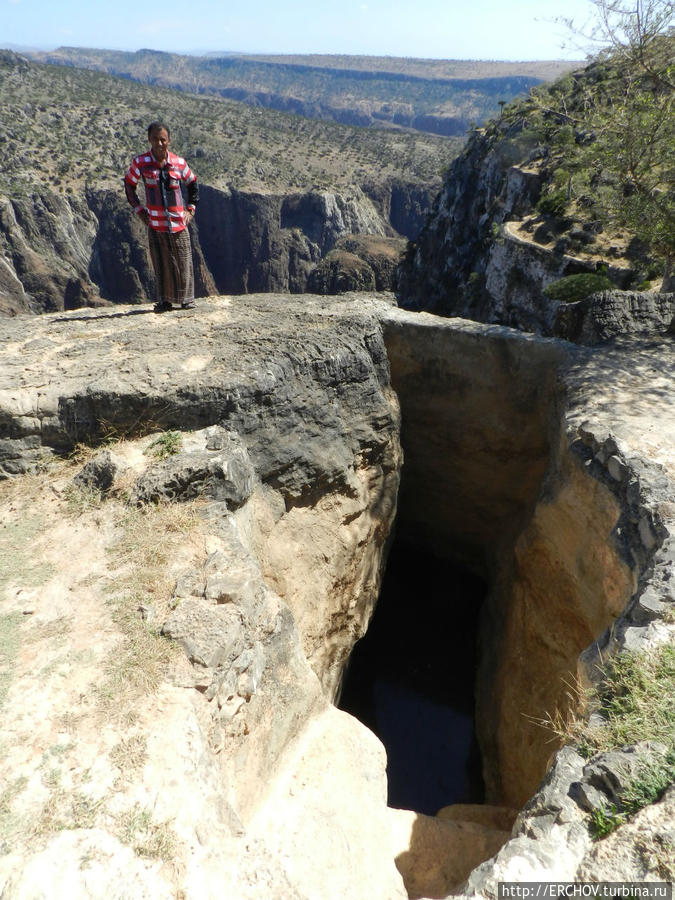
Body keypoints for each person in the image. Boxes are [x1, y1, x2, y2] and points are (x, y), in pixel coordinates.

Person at [124, 122, 199, 312]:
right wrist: (139, 211)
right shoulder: (140, 163)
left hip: (178, 223)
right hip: (156, 224)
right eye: (155, 139)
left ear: (169, 141)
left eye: (163, 140)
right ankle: (165, 301)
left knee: (183, 260)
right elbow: (129, 185)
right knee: (161, 262)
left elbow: (192, 183)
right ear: (149, 140)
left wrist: (190, 209)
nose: (159, 143)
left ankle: (186, 299)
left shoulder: (179, 163)